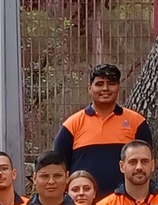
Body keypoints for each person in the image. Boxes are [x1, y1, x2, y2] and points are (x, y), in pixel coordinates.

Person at [52, 64, 152, 198]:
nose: (105, 88)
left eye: (111, 83)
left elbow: (146, 163)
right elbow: (59, 167)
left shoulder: (136, 122)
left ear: (118, 87)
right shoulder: (72, 124)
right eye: (99, 84)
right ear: (90, 88)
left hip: (125, 204)